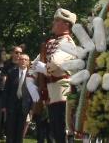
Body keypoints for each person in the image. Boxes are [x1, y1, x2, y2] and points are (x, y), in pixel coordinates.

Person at [33, 8, 77, 143]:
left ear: (66, 25)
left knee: (61, 130)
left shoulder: (68, 43)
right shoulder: (50, 43)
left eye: (57, 20)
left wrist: (44, 68)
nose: (53, 23)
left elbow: (56, 64)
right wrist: (31, 79)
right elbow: (35, 63)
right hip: (50, 93)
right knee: (52, 131)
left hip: (61, 92)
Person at [3, 52, 34, 143]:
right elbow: (6, 90)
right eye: (21, 59)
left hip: (24, 106)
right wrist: (4, 105)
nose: (23, 61)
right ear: (18, 61)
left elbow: (33, 93)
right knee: (10, 130)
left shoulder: (31, 75)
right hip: (12, 105)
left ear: (28, 62)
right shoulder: (11, 73)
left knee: (20, 130)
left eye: (25, 59)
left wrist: (32, 108)